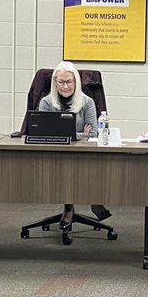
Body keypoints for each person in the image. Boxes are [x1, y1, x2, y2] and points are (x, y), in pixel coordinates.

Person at [37, 60, 111, 228]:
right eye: (60, 82)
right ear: (54, 83)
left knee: (81, 169)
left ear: (76, 83)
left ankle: (79, 203)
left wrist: (62, 133)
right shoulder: (46, 103)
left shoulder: (87, 103)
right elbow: (43, 132)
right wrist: (79, 134)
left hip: (82, 155)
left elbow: (92, 133)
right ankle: (87, 202)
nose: (64, 86)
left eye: (69, 82)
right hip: (53, 155)